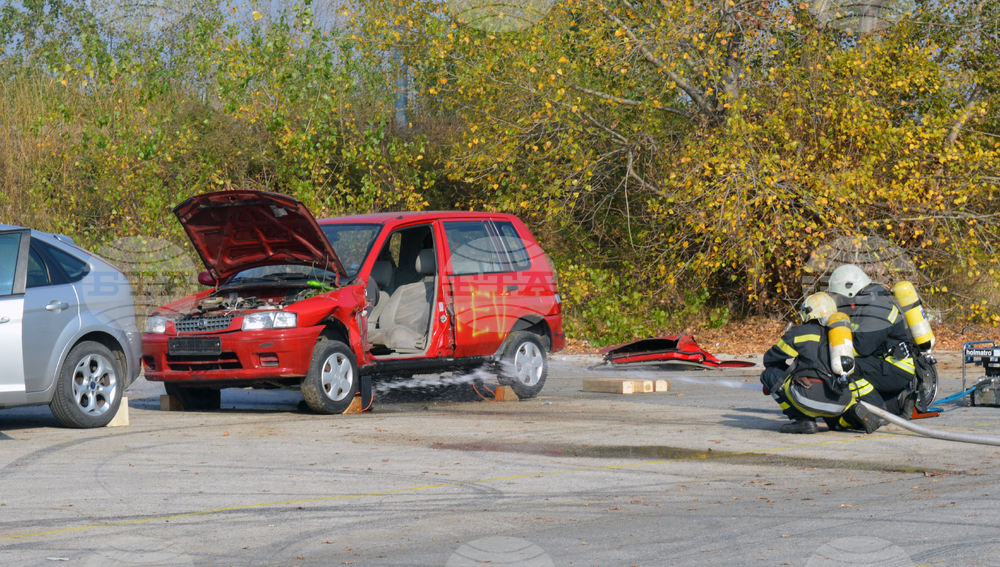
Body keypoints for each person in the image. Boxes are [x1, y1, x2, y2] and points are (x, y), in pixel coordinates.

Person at [760, 292, 881, 434]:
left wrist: (789, 373)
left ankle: (802, 421)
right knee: (834, 424)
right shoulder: (839, 337)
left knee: (769, 375)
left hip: (808, 395)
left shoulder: (800, 333)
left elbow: (770, 359)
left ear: (808, 313)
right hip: (841, 399)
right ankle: (850, 416)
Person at [826, 264, 919, 417]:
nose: (837, 301)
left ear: (850, 292)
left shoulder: (878, 308)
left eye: (838, 296)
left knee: (847, 366)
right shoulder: (860, 306)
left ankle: (878, 411)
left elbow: (862, 347)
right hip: (881, 363)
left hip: (897, 368)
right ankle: (896, 402)